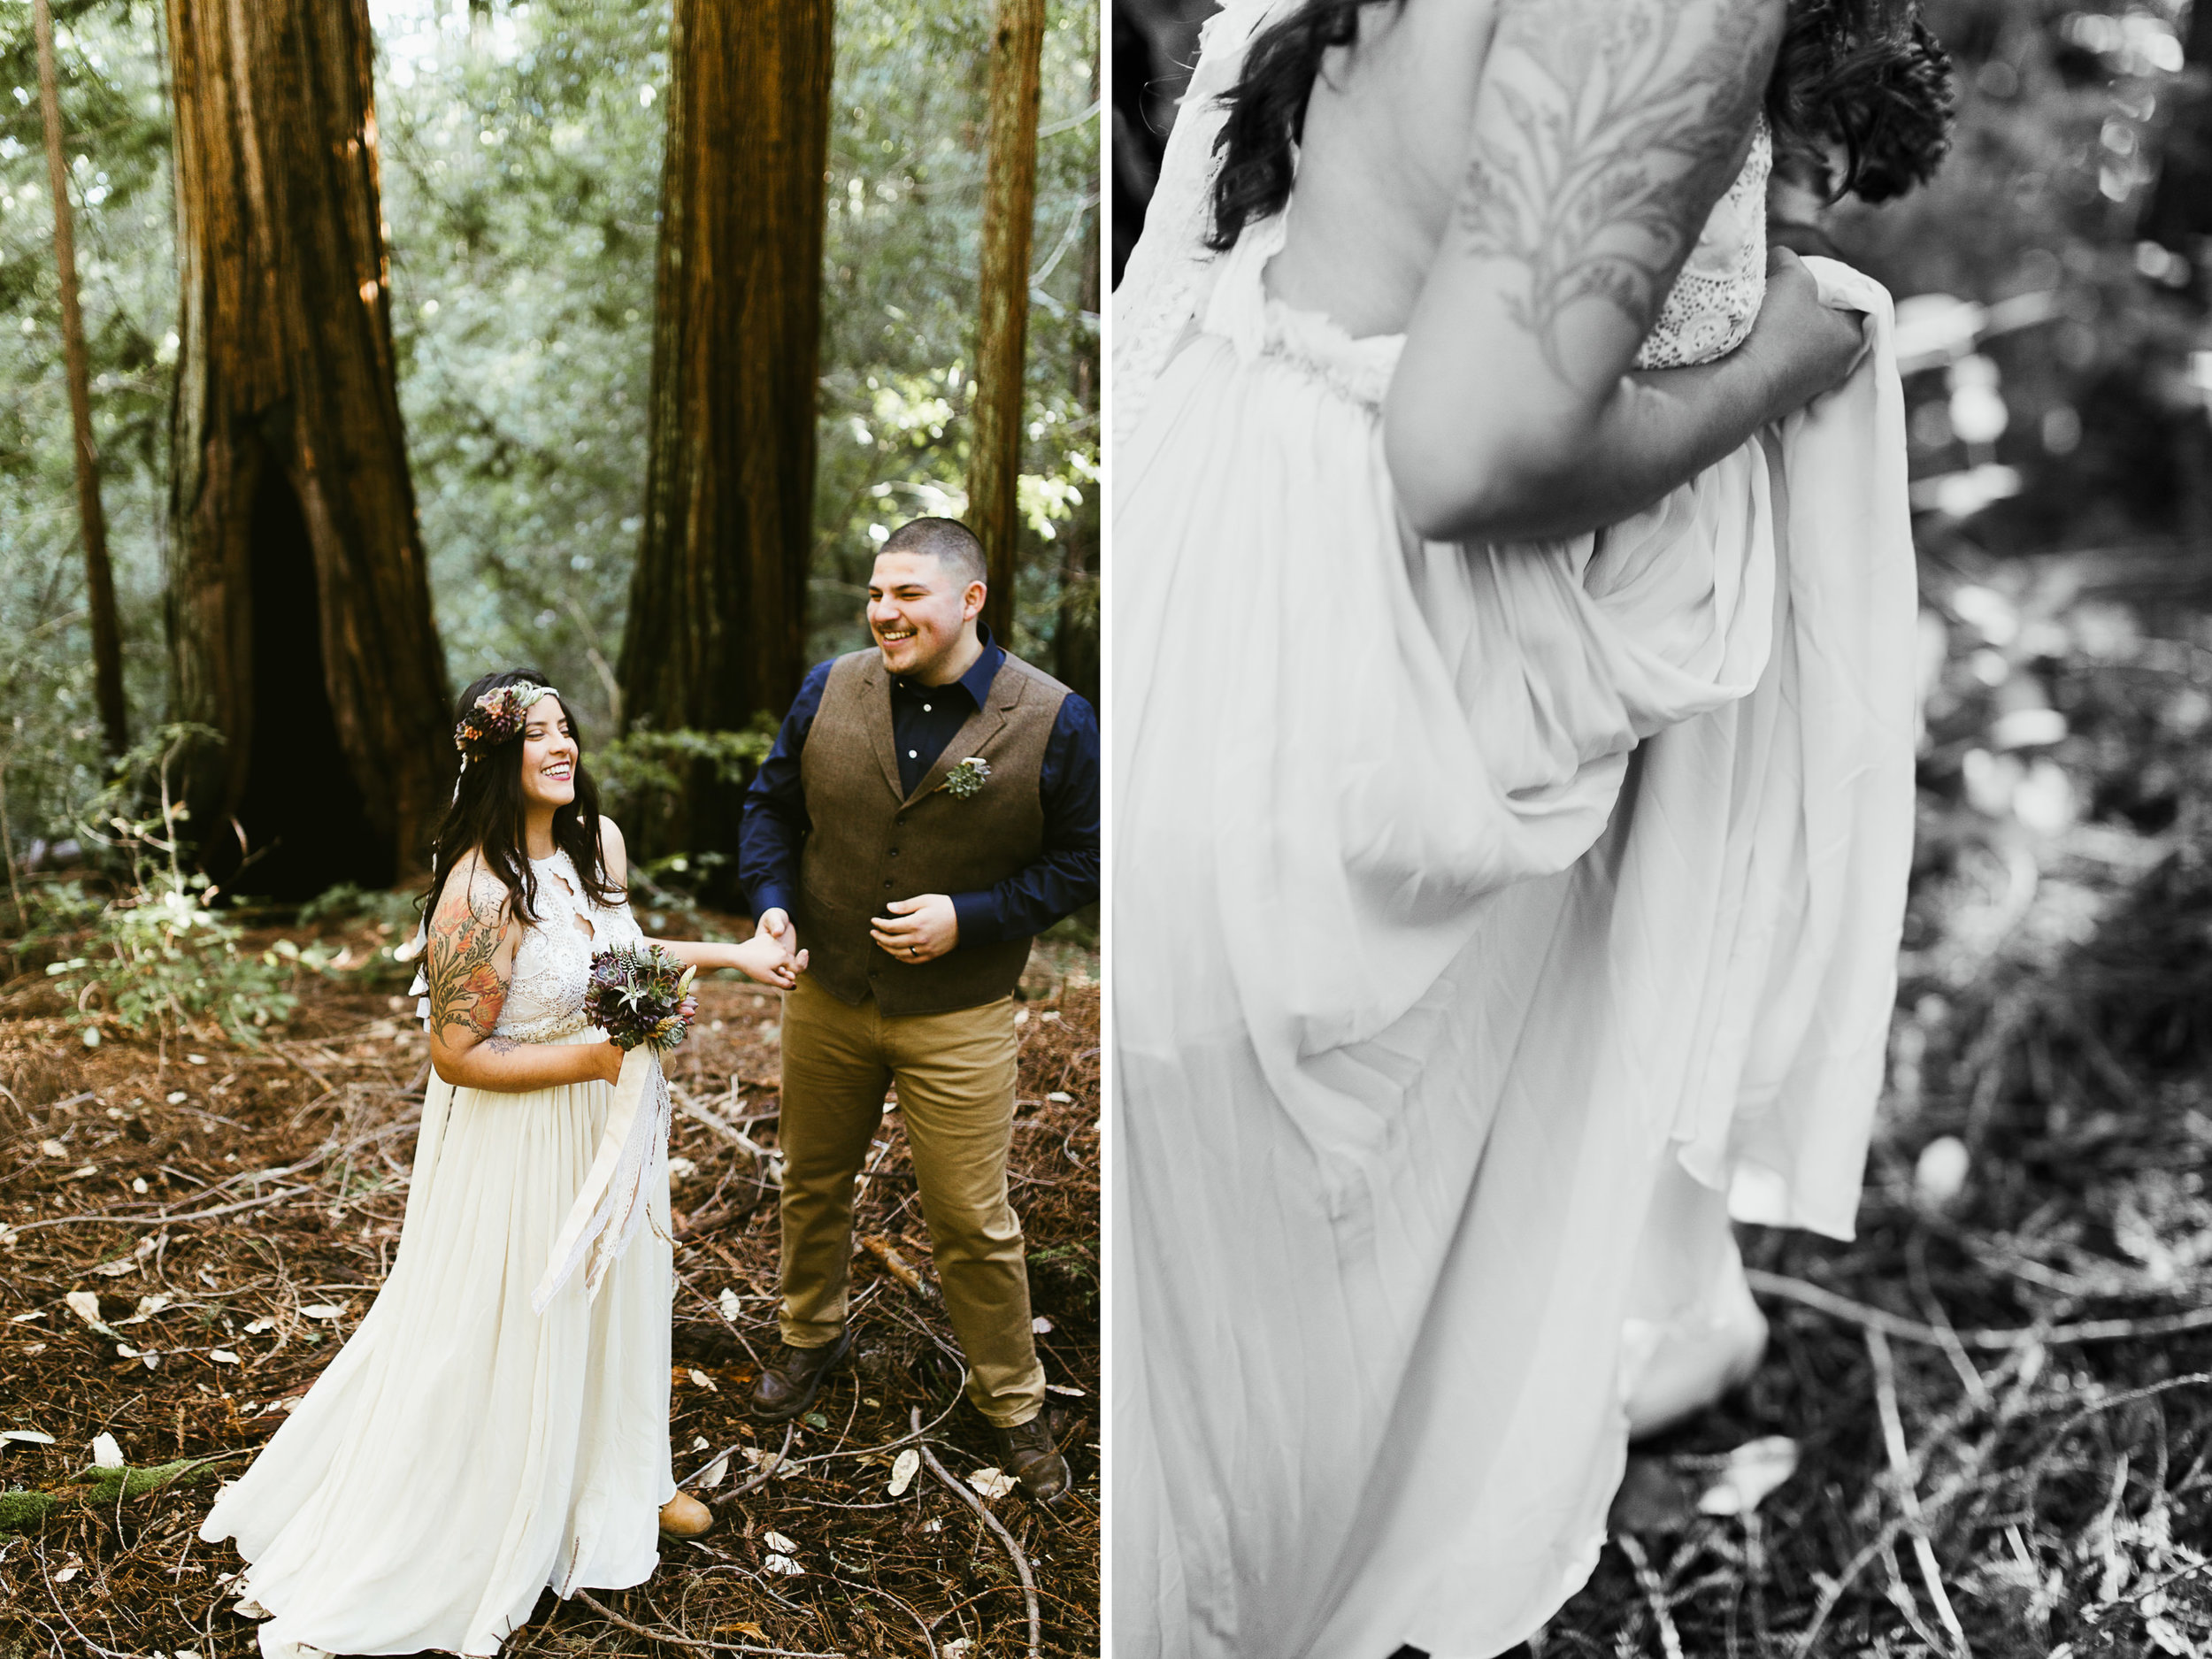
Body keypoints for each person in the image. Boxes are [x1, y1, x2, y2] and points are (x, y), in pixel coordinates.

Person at [1110, 0, 1950, 1655]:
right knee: (1259, 1435)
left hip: (1206, 609)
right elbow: (1471, 448)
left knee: (1206, 1377)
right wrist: (1787, 355)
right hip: (1359, 710)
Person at [201, 670, 803, 1659]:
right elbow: (458, 1054)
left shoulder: (593, 846)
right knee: (520, 1311)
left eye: (565, 727)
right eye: (535, 734)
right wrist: (599, 1057)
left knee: (616, 1299)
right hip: (522, 1142)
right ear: (491, 756)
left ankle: (620, 1485)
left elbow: (619, 949)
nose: (561, 746)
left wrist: (734, 955)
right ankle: (503, 1499)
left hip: (609, 1125)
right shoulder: (475, 894)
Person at [737, 516, 1101, 1504]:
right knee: (811, 1180)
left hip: (960, 1014)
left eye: (908, 594)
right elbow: (772, 807)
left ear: (970, 600)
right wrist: (772, 908)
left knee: (971, 1219)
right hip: (829, 998)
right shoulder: (830, 686)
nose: (883, 612)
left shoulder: (1054, 717)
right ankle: (810, 1334)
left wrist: (971, 916)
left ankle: (1013, 1401)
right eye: (875, 593)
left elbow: (1086, 860)